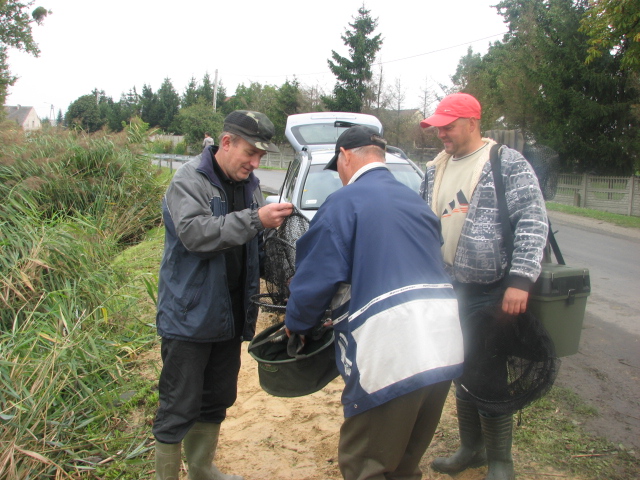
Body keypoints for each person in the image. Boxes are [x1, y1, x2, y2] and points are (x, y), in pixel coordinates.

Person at [284, 125, 464, 480]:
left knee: (366, 463)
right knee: (405, 460)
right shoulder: (414, 201)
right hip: (444, 344)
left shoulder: (343, 203)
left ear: (346, 156)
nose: (339, 178)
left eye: (338, 169)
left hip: (392, 351)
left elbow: (314, 279)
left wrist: (298, 324)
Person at [153, 110, 293, 480]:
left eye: (261, 156)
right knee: (177, 406)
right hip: (189, 317)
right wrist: (255, 220)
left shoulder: (251, 186)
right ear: (226, 142)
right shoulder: (188, 180)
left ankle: (201, 469)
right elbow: (195, 234)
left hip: (230, 315)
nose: (255, 162)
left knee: (216, 400)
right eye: (250, 152)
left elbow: (256, 247)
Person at [419, 93, 548, 480]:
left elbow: (533, 221)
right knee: (460, 367)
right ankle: (470, 449)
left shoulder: (505, 163)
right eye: (438, 125)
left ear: (473, 123)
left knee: (488, 373)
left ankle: (500, 462)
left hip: (492, 288)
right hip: (448, 287)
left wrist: (521, 280)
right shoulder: (435, 168)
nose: (441, 132)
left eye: (449, 125)